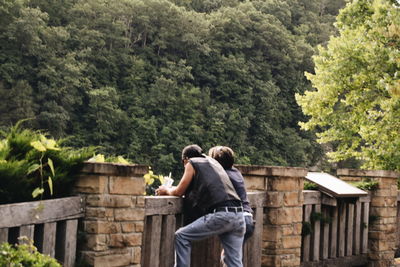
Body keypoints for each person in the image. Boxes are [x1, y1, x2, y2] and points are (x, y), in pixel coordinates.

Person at [156, 144, 245, 267]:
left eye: (183, 162)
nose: (184, 165)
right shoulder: (214, 163)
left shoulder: (192, 163)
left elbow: (178, 191)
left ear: (186, 158)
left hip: (222, 215)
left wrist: (166, 190)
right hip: (239, 215)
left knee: (181, 236)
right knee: (234, 263)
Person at [208, 146, 255, 265]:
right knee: (230, 258)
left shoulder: (222, 176)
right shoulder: (235, 172)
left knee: (230, 259)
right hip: (247, 218)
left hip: (235, 218)